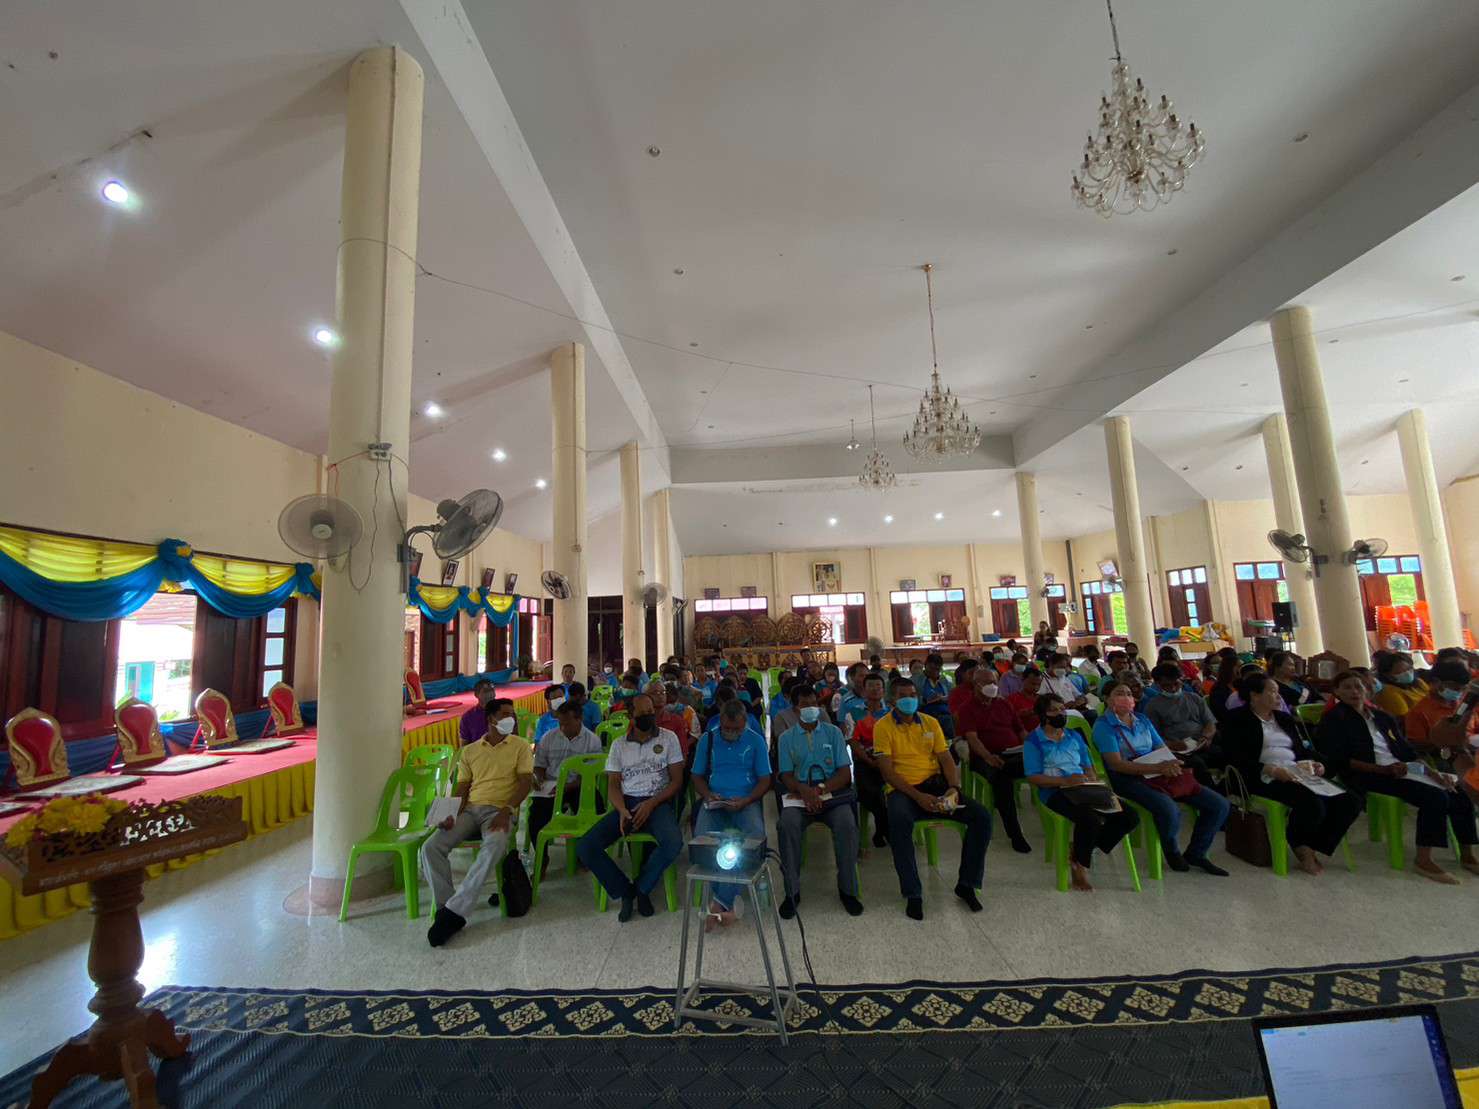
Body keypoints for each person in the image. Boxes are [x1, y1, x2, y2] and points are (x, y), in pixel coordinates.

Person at [1315, 670, 1478, 884]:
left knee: (1458, 793)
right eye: (1347, 687)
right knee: (1435, 797)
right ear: (1336, 692)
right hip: (1367, 773)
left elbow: (1408, 752)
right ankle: (1423, 860)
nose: (1354, 691)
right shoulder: (1334, 719)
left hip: (1402, 768)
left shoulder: (1382, 717)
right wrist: (1384, 770)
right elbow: (1339, 760)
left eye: (1358, 686)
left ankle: (1467, 855)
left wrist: (1435, 775)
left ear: (1367, 690)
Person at [873, 677, 993, 919]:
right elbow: (887, 772)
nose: (909, 700)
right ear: (892, 700)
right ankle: (913, 893)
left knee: (981, 817)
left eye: (913, 695)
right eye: (903, 696)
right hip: (903, 790)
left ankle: (967, 884)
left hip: (935, 785)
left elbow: (946, 758)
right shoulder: (883, 726)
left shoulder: (930, 722)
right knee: (899, 824)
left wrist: (953, 788)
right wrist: (918, 797)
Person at [1219, 674, 1363, 876]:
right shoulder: (1237, 719)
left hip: (1295, 771)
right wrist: (1270, 769)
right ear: (1254, 695)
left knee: (1350, 801)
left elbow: (1301, 750)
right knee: (1312, 803)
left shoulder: (1283, 718)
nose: (1278, 696)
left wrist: (1318, 764)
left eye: (1278, 692)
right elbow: (1233, 757)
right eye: (1272, 691)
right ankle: (1300, 845)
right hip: (1261, 776)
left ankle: (1314, 844)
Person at [422, 699, 534, 946]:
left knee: (494, 845)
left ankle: (455, 912)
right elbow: (462, 786)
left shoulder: (520, 746)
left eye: (513, 714)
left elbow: (525, 782)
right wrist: (451, 813)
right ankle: (445, 907)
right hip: (471, 811)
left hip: (500, 810)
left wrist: (507, 810)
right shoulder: (471, 751)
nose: (512, 719)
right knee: (430, 847)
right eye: (505, 714)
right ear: (491, 719)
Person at [1093, 680, 1229, 875]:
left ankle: (1197, 853)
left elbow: (1160, 747)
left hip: (1158, 772)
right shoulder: (1103, 726)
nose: (1127, 698)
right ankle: (1171, 850)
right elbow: (1116, 764)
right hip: (1128, 778)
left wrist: (1171, 763)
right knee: (1169, 809)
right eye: (1120, 693)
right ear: (1107, 698)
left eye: (1129, 694)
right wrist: (1157, 767)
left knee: (1219, 805)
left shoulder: (1142, 720)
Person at [576, 694, 685, 921]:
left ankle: (642, 888)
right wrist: (622, 810)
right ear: (630, 716)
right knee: (586, 846)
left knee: (673, 841)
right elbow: (613, 785)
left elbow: (676, 781)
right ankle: (625, 891)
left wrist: (652, 803)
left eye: (651, 712)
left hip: (658, 802)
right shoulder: (619, 745)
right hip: (628, 803)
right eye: (643, 714)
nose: (649, 717)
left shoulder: (668, 738)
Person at [1023, 693, 1140, 891]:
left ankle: (1080, 850)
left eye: (1062, 709)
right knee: (1089, 818)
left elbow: (1087, 766)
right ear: (1043, 715)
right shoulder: (1034, 740)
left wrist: (1090, 779)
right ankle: (1080, 866)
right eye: (1054, 710)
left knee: (1129, 816)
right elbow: (1033, 777)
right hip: (1054, 791)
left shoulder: (1074, 736)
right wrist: (1064, 781)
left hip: (1083, 788)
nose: (1060, 713)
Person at [773, 687, 865, 920]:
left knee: (846, 824)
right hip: (800, 793)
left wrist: (820, 790)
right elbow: (786, 775)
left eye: (814, 703)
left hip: (831, 793)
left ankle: (848, 890)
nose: (811, 708)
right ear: (796, 709)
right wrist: (804, 790)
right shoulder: (786, 738)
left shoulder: (833, 733)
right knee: (787, 825)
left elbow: (845, 774)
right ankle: (792, 892)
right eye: (805, 704)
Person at [691, 701, 773, 927]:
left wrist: (747, 800)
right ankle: (727, 899)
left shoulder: (755, 741)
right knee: (702, 842)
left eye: (736, 729)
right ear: (720, 721)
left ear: (744, 723)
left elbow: (765, 780)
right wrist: (708, 795)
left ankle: (721, 901)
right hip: (715, 801)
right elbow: (696, 776)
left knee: (754, 841)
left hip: (745, 801)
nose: (730, 733)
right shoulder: (707, 740)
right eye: (726, 728)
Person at [954, 663, 1030, 853]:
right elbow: (972, 738)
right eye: (988, 683)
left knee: (1042, 765)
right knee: (1001, 778)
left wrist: (1032, 749)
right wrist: (988, 757)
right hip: (984, 757)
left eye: (995, 682)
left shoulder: (1003, 704)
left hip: (1013, 753)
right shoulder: (967, 709)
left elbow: (1021, 730)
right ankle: (1015, 833)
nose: (993, 686)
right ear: (977, 685)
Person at [527, 700, 604, 871]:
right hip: (552, 785)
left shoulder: (592, 741)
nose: (562, 728)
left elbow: (590, 774)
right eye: (560, 723)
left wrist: (568, 786)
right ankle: (542, 857)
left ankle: (585, 853)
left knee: (596, 810)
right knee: (536, 816)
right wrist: (539, 779)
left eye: (567, 724)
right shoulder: (549, 738)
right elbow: (539, 765)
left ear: (579, 719)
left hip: (578, 785)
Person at [1141, 662, 1220, 788]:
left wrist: (1206, 737)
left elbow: (1210, 722)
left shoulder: (1194, 698)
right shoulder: (1152, 706)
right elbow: (1153, 738)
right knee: (1198, 764)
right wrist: (1172, 745)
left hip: (1202, 742)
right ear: (1158, 685)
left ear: (1181, 680)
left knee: (1228, 752)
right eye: (1166, 686)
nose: (1173, 689)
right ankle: (1214, 793)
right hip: (1178, 749)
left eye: (1176, 684)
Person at [845, 672, 892, 847]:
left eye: (878, 686)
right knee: (872, 792)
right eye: (870, 686)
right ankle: (885, 829)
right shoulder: (854, 712)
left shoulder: (891, 713)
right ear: (864, 690)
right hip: (865, 761)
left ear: (883, 690)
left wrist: (884, 761)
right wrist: (869, 760)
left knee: (895, 790)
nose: (875, 689)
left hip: (889, 761)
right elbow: (852, 741)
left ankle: (882, 830)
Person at [1403, 659, 1479, 756]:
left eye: (1463, 688)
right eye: (1455, 688)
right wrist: (1446, 743)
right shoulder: (1418, 712)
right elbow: (1418, 745)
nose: (1459, 692)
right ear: (1436, 682)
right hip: (1446, 756)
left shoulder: (1463, 703)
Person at [648, 680, 696, 760]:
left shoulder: (677, 721)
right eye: (655, 693)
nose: (660, 696)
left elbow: (682, 755)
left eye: (663, 692)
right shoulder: (638, 721)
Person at [1043, 652, 1096, 723]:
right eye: (1060, 667)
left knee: (1094, 712)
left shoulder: (1063, 678)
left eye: (1064, 667)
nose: (1063, 670)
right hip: (1061, 713)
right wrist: (1066, 705)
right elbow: (1047, 707)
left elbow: (1078, 694)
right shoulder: (1042, 681)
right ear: (1051, 665)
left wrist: (1081, 700)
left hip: (1076, 708)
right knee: (1092, 715)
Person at [918, 653, 954, 737]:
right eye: (931, 668)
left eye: (937, 669)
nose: (933, 671)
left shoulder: (944, 680)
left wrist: (943, 698)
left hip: (945, 716)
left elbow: (952, 696)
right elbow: (911, 699)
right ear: (925, 665)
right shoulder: (916, 681)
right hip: (925, 717)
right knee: (929, 738)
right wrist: (925, 700)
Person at [457, 679, 496, 746]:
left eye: (492, 690)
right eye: (486, 691)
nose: (490, 694)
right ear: (476, 695)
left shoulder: (504, 711)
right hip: (478, 751)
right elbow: (464, 744)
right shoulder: (467, 717)